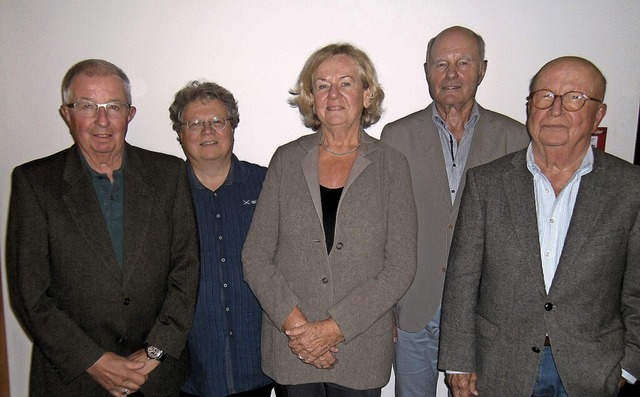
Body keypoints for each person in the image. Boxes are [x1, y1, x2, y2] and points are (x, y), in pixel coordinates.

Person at [438, 56, 640, 396]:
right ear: (530, 106)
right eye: (544, 96)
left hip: (591, 370)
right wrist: (459, 362)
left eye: (575, 97)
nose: (555, 110)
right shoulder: (487, 183)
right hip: (501, 366)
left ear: (598, 115)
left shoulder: (630, 187)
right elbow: (462, 281)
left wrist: (629, 366)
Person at [6, 59, 200, 397]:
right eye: (86, 106)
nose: (102, 120)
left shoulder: (169, 174)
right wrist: (93, 360)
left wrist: (155, 351)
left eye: (113, 106)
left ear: (130, 113)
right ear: (67, 113)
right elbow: (30, 294)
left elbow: (187, 269)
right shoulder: (34, 183)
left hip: (156, 379)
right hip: (73, 379)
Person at [241, 43, 417, 397]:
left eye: (346, 83)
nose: (333, 94)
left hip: (360, 347)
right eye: (322, 85)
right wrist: (301, 331)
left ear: (367, 94)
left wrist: (333, 329)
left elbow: (400, 267)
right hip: (292, 347)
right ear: (311, 97)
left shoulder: (391, 165)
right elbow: (256, 257)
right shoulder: (286, 160)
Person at [380, 26, 530, 397]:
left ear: (482, 69)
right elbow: (385, 228)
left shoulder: (516, 138)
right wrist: (388, 307)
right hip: (414, 308)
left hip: (485, 312)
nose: (451, 74)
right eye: (441, 63)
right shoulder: (395, 136)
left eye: (463, 62)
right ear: (427, 70)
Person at [168, 81, 273, 397]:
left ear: (233, 127)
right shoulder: (163, 194)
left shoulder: (268, 184)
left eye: (217, 121)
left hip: (259, 364)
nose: (207, 131)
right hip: (188, 369)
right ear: (180, 134)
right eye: (195, 123)